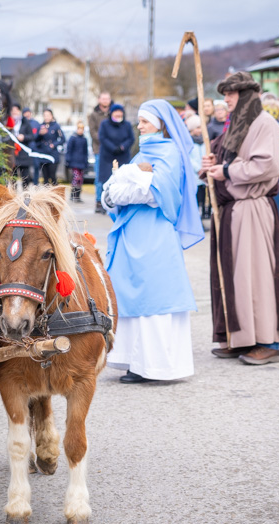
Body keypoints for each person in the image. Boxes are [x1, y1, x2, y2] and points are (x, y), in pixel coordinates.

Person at [102, 99, 204, 383]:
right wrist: (113, 192)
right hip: (132, 233)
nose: (140, 126)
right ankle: (136, 361)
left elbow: (158, 193)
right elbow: (114, 189)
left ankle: (158, 366)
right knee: (130, 296)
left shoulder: (170, 152)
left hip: (155, 237)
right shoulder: (140, 155)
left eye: (145, 121)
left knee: (154, 297)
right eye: (140, 121)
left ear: (161, 124)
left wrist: (118, 190)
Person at [201, 71, 279, 365]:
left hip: (253, 208)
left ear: (246, 95)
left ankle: (267, 342)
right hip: (233, 210)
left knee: (256, 276)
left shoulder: (265, 123)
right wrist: (213, 164)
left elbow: (268, 165)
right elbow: (229, 159)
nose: (226, 99)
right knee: (236, 277)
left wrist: (227, 171)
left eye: (231, 93)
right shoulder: (237, 125)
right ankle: (242, 338)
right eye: (224, 93)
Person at [97, 104, 135, 194]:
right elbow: (102, 137)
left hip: (123, 157)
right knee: (106, 181)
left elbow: (131, 138)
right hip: (107, 157)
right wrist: (113, 148)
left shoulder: (127, 125)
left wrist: (122, 147)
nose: (118, 117)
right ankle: (103, 202)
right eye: (116, 115)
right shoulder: (104, 124)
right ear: (111, 114)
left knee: (122, 181)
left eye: (120, 116)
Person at [89, 92, 113, 212]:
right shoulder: (94, 115)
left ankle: (110, 201)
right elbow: (93, 132)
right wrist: (105, 140)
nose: (105, 100)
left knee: (112, 176)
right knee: (99, 177)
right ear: (99, 100)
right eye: (103, 98)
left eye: (107, 98)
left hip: (113, 151)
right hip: (99, 150)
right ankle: (99, 201)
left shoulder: (113, 114)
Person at [185, 114, 209, 220]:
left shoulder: (204, 141)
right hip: (194, 177)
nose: (200, 130)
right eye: (198, 128)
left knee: (202, 199)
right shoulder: (188, 142)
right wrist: (198, 168)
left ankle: (203, 216)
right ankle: (196, 220)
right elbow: (188, 158)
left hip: (203, 176)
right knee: (195, 200)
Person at [35, 109, 64, 184]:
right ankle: (46, 195)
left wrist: (54, 144)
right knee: (45, 178)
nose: (46, 117)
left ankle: (54, 194)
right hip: (43, 154)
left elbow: (62, 139)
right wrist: (40, 134)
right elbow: (35, 140)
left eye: (48, 115)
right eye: (45, 115)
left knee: (52, 176)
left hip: (52, 154)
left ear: (52, 116)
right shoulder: (41, 126)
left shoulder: (56, 126)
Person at [11, 104, 36, 189]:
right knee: (12, 179)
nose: (14, 112)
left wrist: (24, 137)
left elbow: (32, 136)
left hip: (23, 155)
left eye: (16, 110)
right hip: (12, 154)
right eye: (13, 110)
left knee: (25, 178)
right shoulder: (8, 122)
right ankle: (13, 198)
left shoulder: (25, 122)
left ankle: (26, 197)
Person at [65, 121, 89, 202]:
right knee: (76, 178)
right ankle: (73, 194)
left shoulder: (84, 139)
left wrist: (86, 162)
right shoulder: (73, 138)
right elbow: (69, 149)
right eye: (79, 129)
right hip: (74, 162)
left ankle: (78, 195)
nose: (80, 130)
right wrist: (68, 160)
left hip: (81, 162)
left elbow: (85, 152)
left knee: (80, 179)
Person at [22, 108, 42, 184]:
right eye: (25, 113)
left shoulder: (36, 123)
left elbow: (38, 137)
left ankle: (35, 183)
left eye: (28, 112)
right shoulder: (21, 123)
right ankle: (26, 183)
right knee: (25, 168)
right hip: (24, 149)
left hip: (34, 148)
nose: (27, 114)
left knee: (36, 166)